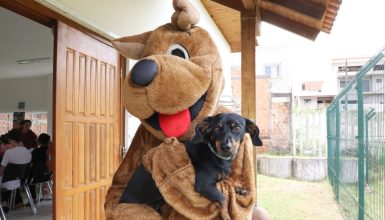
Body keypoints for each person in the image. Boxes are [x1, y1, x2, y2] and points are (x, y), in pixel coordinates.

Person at [0, 129, 32, 209]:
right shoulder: (28, 153)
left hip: (6, 182)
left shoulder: (9, 153)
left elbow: (1, 171)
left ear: (11, 140)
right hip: (18, 181)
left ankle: (4, 203)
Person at [29, 133, 52, 201]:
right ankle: (45, 193)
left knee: (29, 177)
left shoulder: (36, 151)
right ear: (49, 141)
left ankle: (34, 198)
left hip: (37, 177)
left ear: (39, 141)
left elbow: (31, 164)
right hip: (49, 175)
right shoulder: (51, 150)